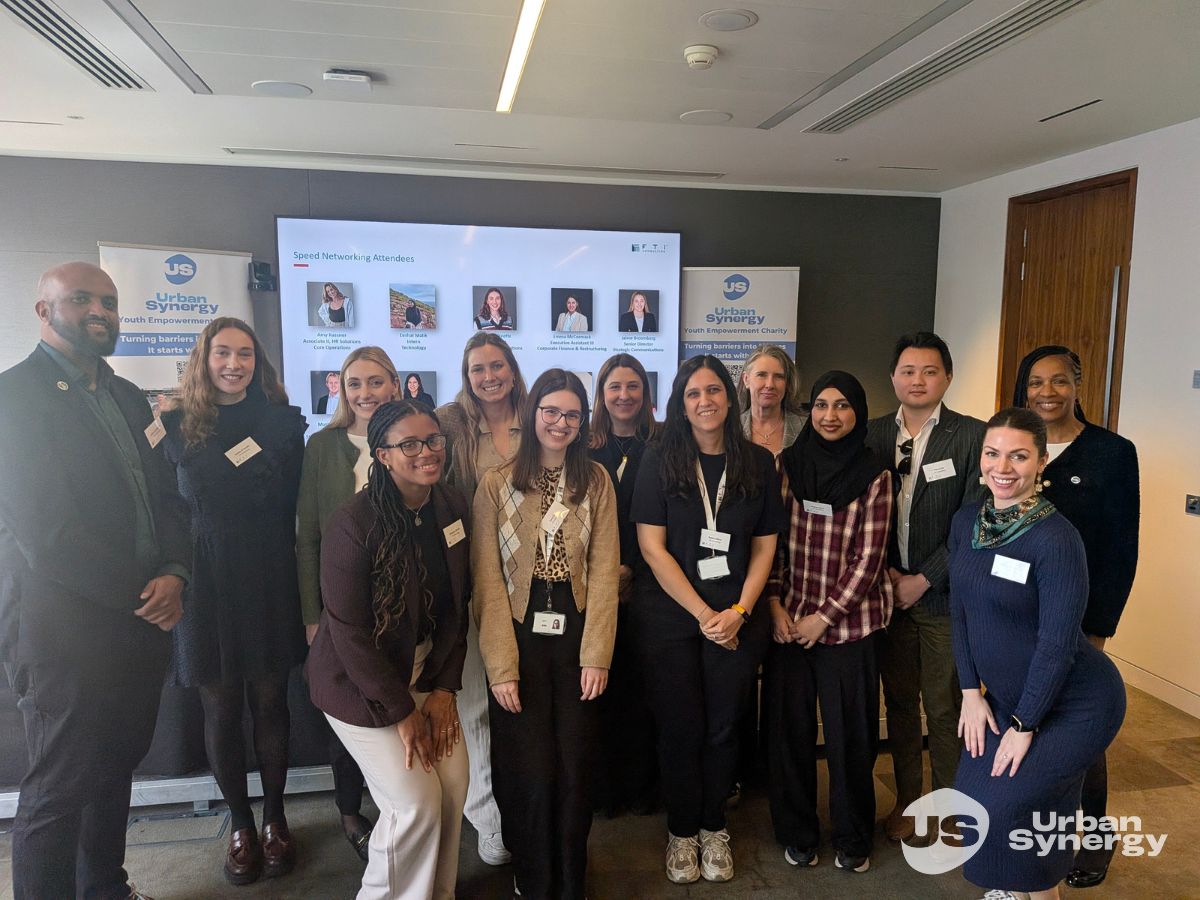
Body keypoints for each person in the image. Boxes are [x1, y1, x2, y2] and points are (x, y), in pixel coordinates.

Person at [0, 262, 191, 900]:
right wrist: (144, 594)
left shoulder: (129, 397)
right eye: (81, 299)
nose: (99, 312)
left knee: (114, 769)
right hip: (66, 631)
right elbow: (45, 532)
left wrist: (175, 571)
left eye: (108, 302)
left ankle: (105, 887)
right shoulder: (14, 397)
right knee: (58, 788)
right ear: (43, 310)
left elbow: (168, 498)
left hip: (140, 624)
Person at [950, 407, 1126, 899]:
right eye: (993, 453)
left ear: (1042, 462)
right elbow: (959, 610)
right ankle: (1013, 886)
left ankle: (1038, 890)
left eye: (1019, 456)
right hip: (1010, 695)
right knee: (973, 799)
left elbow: (1056, 646)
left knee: (1011, 803)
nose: (1002, 467)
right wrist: (970, 692)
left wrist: (1024, 724)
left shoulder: (1057, 539)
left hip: (1076, 702)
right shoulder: (966, 522)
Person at [160, 317, 307, 886]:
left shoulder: (282, 422)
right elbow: (166, 508)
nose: (234, 364)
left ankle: (275, 819)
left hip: (268, 576)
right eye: (222, 352)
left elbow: (294, 505)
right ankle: (240, 825)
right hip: (204, 583)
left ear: (257, 362)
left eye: (244, 354)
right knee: (220, 709)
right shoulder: (174, 424)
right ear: (204, 358)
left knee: (271, 703)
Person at [307, 400, 471, 900]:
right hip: (360, 684)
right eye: (410, 444)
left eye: (434, 440)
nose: (427, 452)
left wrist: (443, 690)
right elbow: (349, 633)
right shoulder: (353, 522)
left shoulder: (451, 506)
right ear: (383, 455)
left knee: (453, 787)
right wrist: (402, 711)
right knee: (415, 803)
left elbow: (458, 605)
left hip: (426, 674)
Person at [631, 355, 782, 884]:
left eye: (713, 390)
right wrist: (702, 613)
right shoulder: (658, 459)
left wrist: (738, 611)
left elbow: (765, 548)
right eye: (693, 393)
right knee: (680, 728)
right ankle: (681, 831)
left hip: (737, 618)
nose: (705, 401)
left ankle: (714, 825)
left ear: (730, 397)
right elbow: (651, 547)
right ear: (680, 403)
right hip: (672, 618)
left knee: (722, 728)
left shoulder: (757, 463)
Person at [474, 369, 619, 900]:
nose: (560, 423)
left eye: (572, 415)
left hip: (577, 625)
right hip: (519, 629)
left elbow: (605, 572)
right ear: (533, 412)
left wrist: (597, 654)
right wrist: (501, 666)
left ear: (583, 422)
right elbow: (487, 581)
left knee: (575, 763)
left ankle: (570, 876)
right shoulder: (496, 483)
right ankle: (533, 874)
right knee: (529, 765)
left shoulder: (596, 481)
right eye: (551, 411)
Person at [1013, 345, 1140, 889]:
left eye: (1059, 380)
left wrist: (1100, 628)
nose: (1047, 392)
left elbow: (1122, 548)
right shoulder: (1015, 445)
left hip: (1079, 619)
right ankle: (1039, 830)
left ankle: (1093, 834)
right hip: (1019, 615)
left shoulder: (1112, 452)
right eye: (1036, 382)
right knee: (1028, 723)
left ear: (1078, 386)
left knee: (1081, 724)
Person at [765, 370, 894, 874]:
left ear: (858, 412)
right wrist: (775, 604)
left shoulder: (876, 473)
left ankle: (852, 838)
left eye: (842, 405)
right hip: (789, 622)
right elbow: (772, 541)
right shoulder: (788, 464)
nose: (830, 415)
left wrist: (825, 616)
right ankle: (797, 833)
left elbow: (869, 559)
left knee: (850, 740)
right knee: (789, 736)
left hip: (850, 627)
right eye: (821, 405)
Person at [864, 332, 986, 842]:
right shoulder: (871, 434)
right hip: (886, 595)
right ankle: (909, 804)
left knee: (944, 706)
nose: (918, 380)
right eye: (908, 371)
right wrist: (889, 575)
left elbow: (975, 520)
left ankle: (953, 808)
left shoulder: (972, 435)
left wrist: (925, 577)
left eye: (930, 371)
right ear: (893, 377)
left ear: (948, 378)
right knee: (898, 704)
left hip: (943, 598)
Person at [297, 346, 400, 861]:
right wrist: (311, 615)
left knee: (395, 705)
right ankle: (349, 811)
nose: (365, 393)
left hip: (399, 607)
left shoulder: (409, 438)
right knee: (346, 709)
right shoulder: (322, 446)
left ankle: (398, 809)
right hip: (340, 608)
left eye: (376, 382)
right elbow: (308, 537)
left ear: (395, 385)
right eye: (355, 383)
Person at [436, 332, 528, 865]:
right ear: (466, 375)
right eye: (478, 369)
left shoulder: (537, 416)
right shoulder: (449, 424)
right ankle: (487, 820)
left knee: (522, 697)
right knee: (474, 703)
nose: (489, 377)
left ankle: (526, 807)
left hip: (535, 582)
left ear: (512, 369)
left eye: (497, 366)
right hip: (471, 579)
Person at [588, 353, 659, 817]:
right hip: (595, 589)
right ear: (601, 394)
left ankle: (645, 789)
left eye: (633, 386)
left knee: (644, 691)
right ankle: (605, 791)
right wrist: (607, 574)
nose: (624, 395)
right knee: (601, 691)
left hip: (650, 586)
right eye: (614, 386)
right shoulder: (583, 448)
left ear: (645, 394)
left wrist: (631, 568)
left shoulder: (663, 445)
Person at [738, 344, 806, 460]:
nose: (770, 385)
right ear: (746, 380)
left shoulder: (806, 428)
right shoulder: (730, 429)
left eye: (779, 377)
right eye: (761, 375)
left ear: (788, 384)